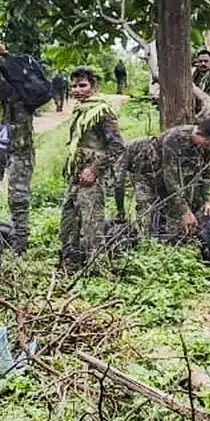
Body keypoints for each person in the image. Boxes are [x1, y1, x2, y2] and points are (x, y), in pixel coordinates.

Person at [59, 68, 125, 270]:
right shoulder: (82, 111)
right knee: (69, 218)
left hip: (92, 176)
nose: (77, 90)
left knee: (91, 222)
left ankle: (96, 267)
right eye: (74, 86)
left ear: (93, 87)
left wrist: (95, 170)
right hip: (76, 173)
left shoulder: (102, 112)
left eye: (82, 85)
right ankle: (71, 262)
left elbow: (117, 146)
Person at [117, 119, 210, 242]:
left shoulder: (208, 145)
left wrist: (206, 201)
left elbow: (205, 172)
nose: (208, 148)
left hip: (168, 176)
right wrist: (185, 212)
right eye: (207, 143)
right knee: (149, 224)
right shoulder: (173, 139)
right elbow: (171, 179)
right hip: (146, 173)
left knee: (181, 227)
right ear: (200, 133)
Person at [0, 43, 34, 253]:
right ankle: (20, 240)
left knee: (18, 199)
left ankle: (20, 245)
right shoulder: (18, 95)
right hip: (18, 153)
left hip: (20, 154)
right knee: (17, 198)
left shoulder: (13, 95)